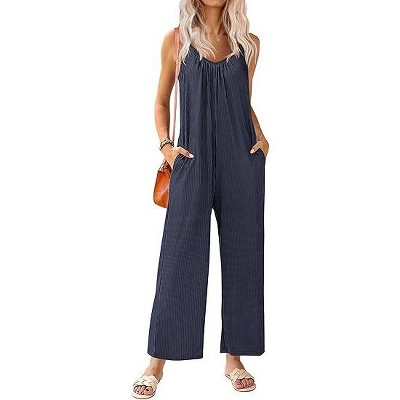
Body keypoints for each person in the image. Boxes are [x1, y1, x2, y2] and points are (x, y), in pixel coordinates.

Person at [132, 0, 269, 397]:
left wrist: (261, 138)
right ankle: (156, 362)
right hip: (191, 160)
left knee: (243, 256)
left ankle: (235, 358)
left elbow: (243, 103)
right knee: (178, 257)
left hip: (241, 159)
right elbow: (161, 101)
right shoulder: (176, 41)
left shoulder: (249, 43)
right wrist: (166, 146)